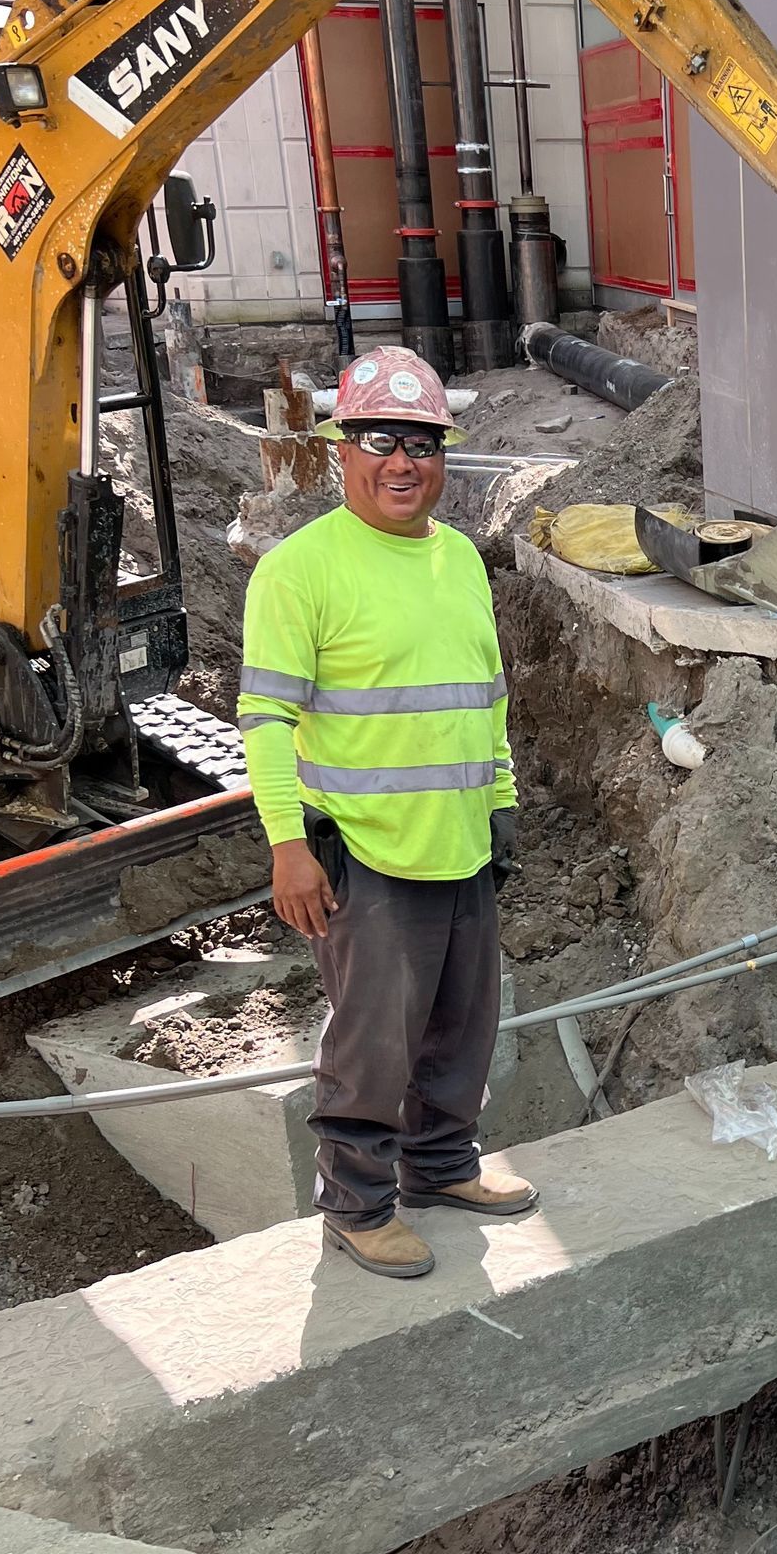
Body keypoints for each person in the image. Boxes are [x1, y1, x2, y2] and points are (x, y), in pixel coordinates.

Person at [237, 346, 537, 1280]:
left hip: (460, 843)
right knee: (372, 1046)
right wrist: (289, 847)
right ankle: (358, 1206)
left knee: (463, 1026)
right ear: (342, 451)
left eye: (422, 442)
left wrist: (500, 805)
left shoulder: (459, 562)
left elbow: (484, 699)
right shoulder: (300, 570)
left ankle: (441, 1168)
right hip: (366, 858)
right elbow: (265, 717)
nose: (403, 462)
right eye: (380, 440)